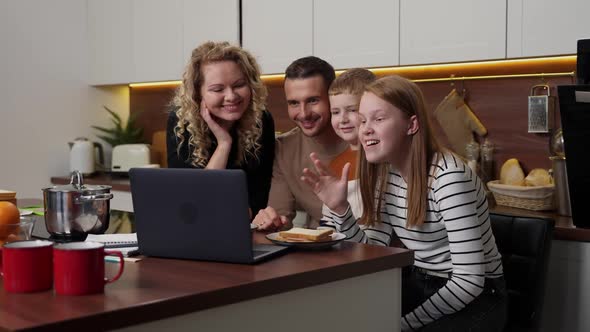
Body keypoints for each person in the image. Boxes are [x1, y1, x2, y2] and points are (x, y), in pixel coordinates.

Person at [301, 75, 507, 331]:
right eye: (363, 120)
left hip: (476, 299)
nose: (365, 129)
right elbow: (372, 251)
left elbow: (469, 281)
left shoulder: (448, 178)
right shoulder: (386, 174)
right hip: (420, 284)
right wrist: (341, 210)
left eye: (378, 119)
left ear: (411, 125)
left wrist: (404, 324)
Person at [167, 41, 275, 217]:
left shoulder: (262, 120)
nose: (231, 96)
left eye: (239, 85)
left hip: (245, 227)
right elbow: (193, 202)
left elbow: (259, 196)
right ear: (197, 93)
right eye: (218, 89)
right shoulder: (181, 122)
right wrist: (224, 144)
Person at [254, 56, 348, 230]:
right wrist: (269, 221)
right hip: (317, 250)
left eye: (313, 100)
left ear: (332, 97)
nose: (304, 113)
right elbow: (281, 219)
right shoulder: (283, 148)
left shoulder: (364, 140)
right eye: (294, 103)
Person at [321, 68, 376, 227]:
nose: (343, 119)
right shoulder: (335, 164)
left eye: (352, 110)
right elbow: (328, 221)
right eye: (335, 112)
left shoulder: (383, 162)